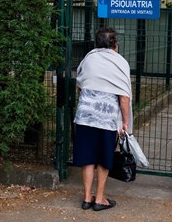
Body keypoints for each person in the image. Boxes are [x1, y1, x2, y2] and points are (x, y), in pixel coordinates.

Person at [73, 27, 133, 212]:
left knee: (88, 158)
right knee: (104, 158)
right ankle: (100, 199)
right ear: (115, 44)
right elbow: (124, 97)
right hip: (106, 119)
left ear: (97, 43)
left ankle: (86, 198)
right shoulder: (120, 62)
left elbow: (80, 84)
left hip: (85, 116)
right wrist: (125, 122)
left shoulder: (88, 59)